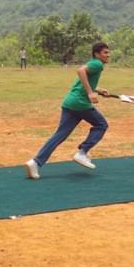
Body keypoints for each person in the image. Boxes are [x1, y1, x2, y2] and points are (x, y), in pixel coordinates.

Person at [25, 42, 111, 180]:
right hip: (80, 103)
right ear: (97, 54)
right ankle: (82, 152)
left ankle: (35, 162)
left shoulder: (94, 64)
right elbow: (80, 71)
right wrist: (90, 93)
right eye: (105, 52)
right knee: (101, 125)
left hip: (70, 102)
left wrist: (97, 90)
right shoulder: (98, 64)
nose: (108, 55)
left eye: (108, 52)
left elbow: (81, 82)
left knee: (60, 135)